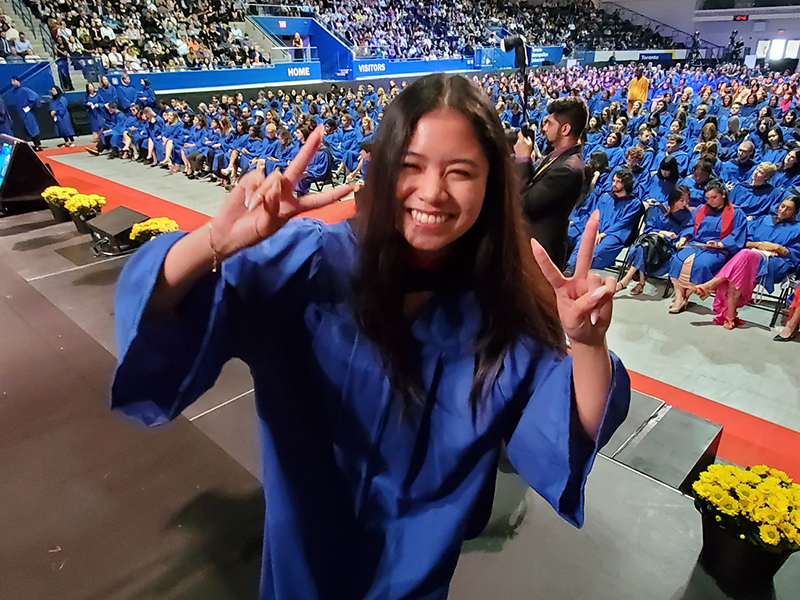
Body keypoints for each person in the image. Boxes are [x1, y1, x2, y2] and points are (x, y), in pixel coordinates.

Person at [110, 74, 630, 600]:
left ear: (492, 185)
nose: (432, 191)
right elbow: (161, 310)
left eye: (460, 172)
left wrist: (587, 344)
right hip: (300, 567)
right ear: (380, 168)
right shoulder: (311, 265)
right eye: (411, 165)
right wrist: (214, 243)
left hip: (413, 581)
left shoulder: (500, 312)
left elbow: (564, 425)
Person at [696, 196, 800, 330]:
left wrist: (777, 248)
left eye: (789, 209)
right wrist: (760, 245)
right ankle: (730, 315)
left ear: (795, 212)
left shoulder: (797, 229)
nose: (783, 210)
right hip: (749, 259)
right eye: (782, 206)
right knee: (741, 266)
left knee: (744, 256)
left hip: (775, 264)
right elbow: (744, 241)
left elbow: (793, 254)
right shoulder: (763, 220)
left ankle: (711, 285)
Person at [516, 96, 589, 270]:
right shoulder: (557, 156)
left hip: (542, 254)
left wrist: (523, 160)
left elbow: (525, 203)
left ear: (565, 129)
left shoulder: (568, 169)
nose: (544, 128)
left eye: (549, 123)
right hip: (531, 246)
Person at [668, 181, 748, 314]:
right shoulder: (701, 209)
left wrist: (720, 244)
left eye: (714, 197)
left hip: (719, 249)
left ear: (723, 194)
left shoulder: (736, 213)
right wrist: (683, 238)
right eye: (707, 198)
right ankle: (679, 297)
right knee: (677, 259)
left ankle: (685, 296)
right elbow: (690, 225)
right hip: (696, 244)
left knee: (701, 265)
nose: (710, 201)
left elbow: (737, 234)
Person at [618, 185, 692, 295]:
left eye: (687, 200)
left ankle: (630, 281)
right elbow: (648, 229)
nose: (685, 203)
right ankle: (634, 281)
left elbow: (687, 230)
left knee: (644, 247)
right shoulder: (658, 209)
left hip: (667, 248)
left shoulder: (687, 215)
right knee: (645, 246)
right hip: (652, 241)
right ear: (674, 199)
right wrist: (663, 233)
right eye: (681, 200)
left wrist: (682, 239)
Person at [566, 168, 642, 271]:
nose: (614, 184)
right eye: (613, 180)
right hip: (598, 229)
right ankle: (570, 268)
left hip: (615, 234)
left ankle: (576, 269)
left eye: (618, 182)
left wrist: (603, 234)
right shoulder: (605, 196)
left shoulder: (634, 203)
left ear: (626, 184)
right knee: (583, 242)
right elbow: (596, 215)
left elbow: (622, 224)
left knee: (599, 250)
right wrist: (596, 231)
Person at [7, 77, 42, 151]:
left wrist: (30, 107)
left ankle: (38, 144)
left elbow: (35, 97)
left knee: (32, 128)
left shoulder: (25, 90)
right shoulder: (14, 92)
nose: (12, 82)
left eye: (14, 81)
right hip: (21, 114)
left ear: (18, 81)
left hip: (27, 113)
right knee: (27, 129)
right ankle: (35, 144)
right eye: (12, 81)